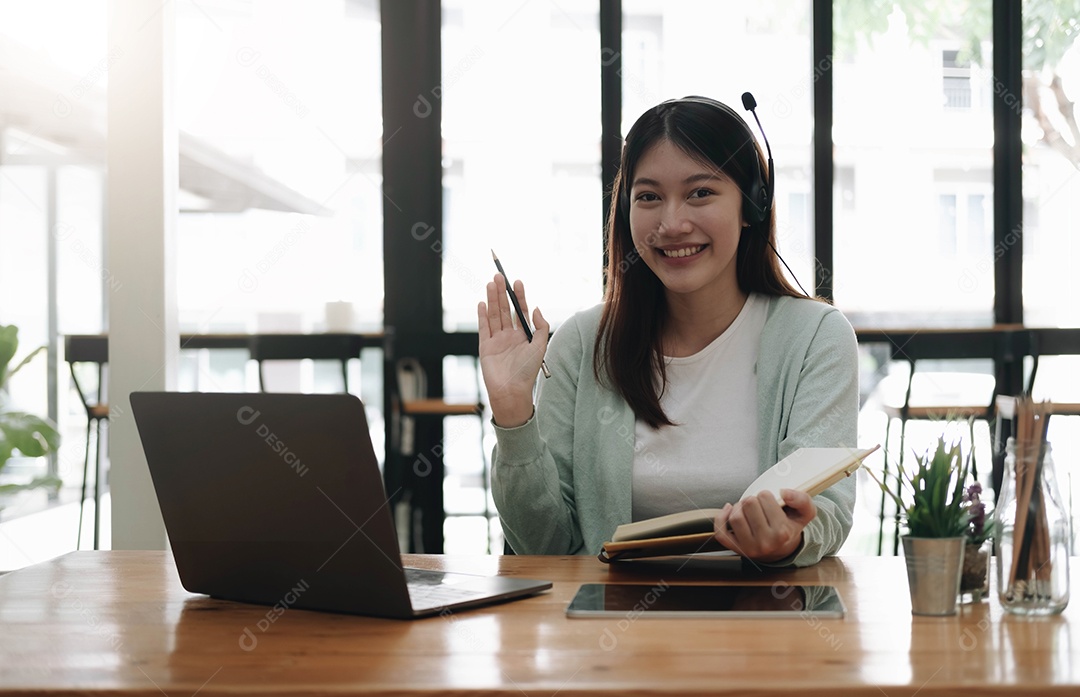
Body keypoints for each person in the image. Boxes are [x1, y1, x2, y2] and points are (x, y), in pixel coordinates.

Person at [477, 95, 858, 566]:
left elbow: (828, 512)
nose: (672, 223)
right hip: (613, 625)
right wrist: (513, 413)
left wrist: (789, 538)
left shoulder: (815, 337)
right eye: (649, 197)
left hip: (766, 619)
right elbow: (546, 545)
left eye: (700, 192)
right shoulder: (581, 342)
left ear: (751, 205)